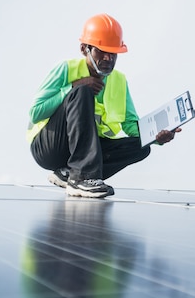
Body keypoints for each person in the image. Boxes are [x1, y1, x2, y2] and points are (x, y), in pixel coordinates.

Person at [27, 13, 179, 198]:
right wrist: (74, 86)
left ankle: (70, 173)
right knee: (82, 91)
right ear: (85, 49)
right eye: (101, 51)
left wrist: (156, 137)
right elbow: (36, 113)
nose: (108, 58)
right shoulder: (66, 69)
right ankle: (81, 178)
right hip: (50, 147)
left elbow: (131, 125)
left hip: (83, 151)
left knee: (142, 147)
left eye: (113, 53)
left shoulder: (119, 81)